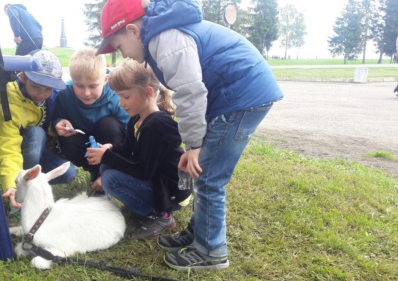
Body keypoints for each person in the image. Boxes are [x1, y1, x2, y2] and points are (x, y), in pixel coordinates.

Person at [97, 0, 284, 270]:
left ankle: (212, 250)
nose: (124, 54)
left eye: (120, 46)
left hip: (242, 96)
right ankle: (200, 232)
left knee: (209, 177)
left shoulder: (167, 40)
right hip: (232, 97)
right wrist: (194, 146)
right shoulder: (160, 37)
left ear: (133, 31)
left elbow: (190, 92)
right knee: (202, 171)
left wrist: (194, 144)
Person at [85, 60, 193, 240]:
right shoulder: (136, 119)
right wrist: (111, 149)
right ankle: (143, 206)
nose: (120, 103)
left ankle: (161, 216)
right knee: (105, 168)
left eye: (125, 97)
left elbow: (144, 171)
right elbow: (128, 149)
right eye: (119, 97)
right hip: (158, 183)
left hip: (172, 192)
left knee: (110, 178)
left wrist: (109, 156)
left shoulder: (156, 125)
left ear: (148, 93)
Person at [0, 49, 77, 210]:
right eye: (36, 87)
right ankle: (20, 194)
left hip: (39, 154)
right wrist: (11, 182)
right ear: (23, 77)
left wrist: (57, 125)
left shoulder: (53, 96)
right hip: (16, 156)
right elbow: (6, 145)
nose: (42, 94)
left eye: (48, 89)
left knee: (69, 172)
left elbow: (49, 118)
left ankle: (33, 186)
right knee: (36, 134)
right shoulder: (10, 105)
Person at [52, 48, 130, 193]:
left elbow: (129, 129)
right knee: (66, 139)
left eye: (93, 86)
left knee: (108, 125)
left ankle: (108, 172)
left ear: (105, 80)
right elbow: (57, 116)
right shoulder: (66, 93)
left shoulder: (116, 95)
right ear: (72, 79)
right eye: (79, 86)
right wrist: (59, 122)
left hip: (109, 142)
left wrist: (115, 153)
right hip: (83, 141)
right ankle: (95, 172)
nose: (86, 93)